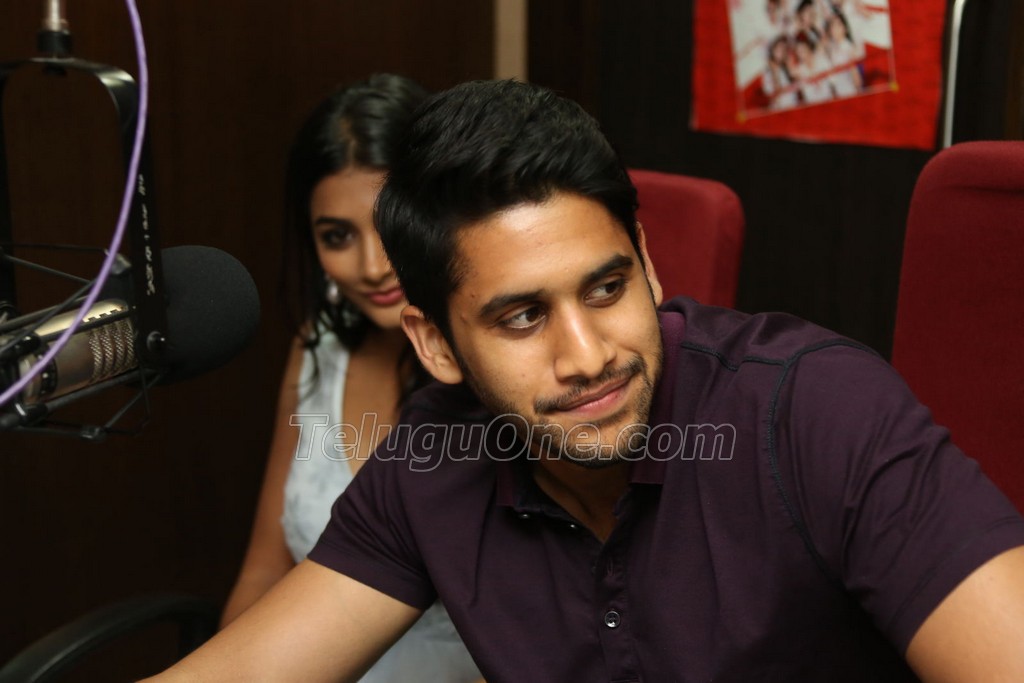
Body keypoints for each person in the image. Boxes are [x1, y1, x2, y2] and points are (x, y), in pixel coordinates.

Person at [145, 80, 1024, 682]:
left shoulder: (818, 409)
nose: (588, 354)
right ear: (437, 344)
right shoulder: (432, 458)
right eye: (522, 317)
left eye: (606, 288)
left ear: (647, 262)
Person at [218, 73, 480, 682]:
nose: (372, 266)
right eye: (338, 236)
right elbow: (264, 572)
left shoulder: (503, 366)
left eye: (390, 227)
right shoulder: (318, 347)